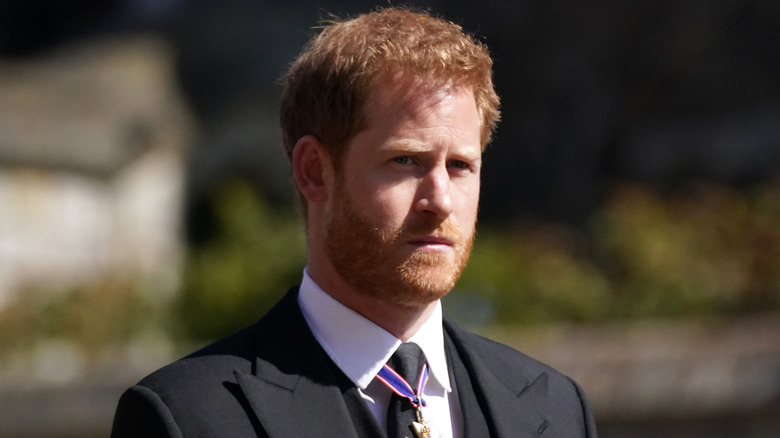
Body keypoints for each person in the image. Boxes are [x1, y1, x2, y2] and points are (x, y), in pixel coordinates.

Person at [111, 7, 598, 438]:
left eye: (460, 166)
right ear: (314, 171)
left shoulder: (556, 409)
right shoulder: (187, 417)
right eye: (405, 161)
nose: (440, 201)